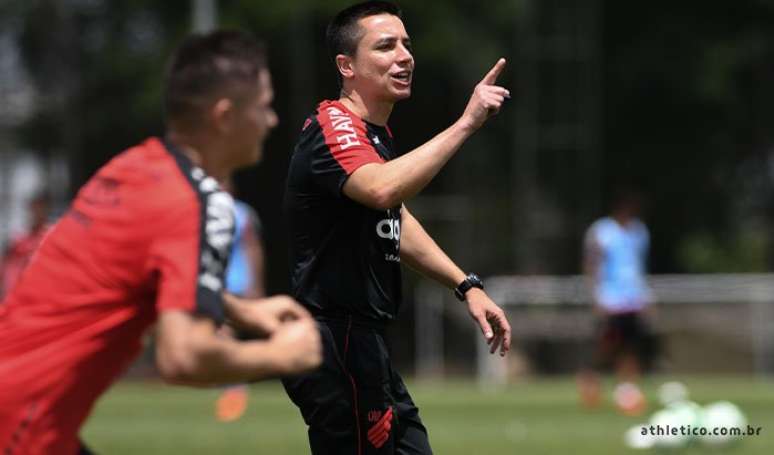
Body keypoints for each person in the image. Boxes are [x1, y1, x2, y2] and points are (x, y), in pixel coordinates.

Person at [0, 30, 321, 454]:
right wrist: (281, 356)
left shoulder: (132, 168)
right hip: (22, 427)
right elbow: (182, 357)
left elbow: (137, 271)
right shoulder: (199, 202)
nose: (273, 120)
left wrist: (242, 311)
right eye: (264, 106)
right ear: (224, 116)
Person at [282, 2, 512, 453]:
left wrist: (466, 285)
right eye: (386, 46)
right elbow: (383, 190)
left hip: (365, 344)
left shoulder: (375, 136)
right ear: (346, 66)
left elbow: (394, 218)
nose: (404, 56)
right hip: (335, 342)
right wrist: (466, 124)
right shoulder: (335, 126)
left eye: (407, 44)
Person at [577, 189, 656, 415]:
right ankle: (589, 380)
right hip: (610, 299)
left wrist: (645, 296)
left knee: (631, 346)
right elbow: (592, 265)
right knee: (608, 344)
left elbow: (639, 266)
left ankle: (627, 389)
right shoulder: (602, 231)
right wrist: (595, 295)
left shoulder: (640, 232)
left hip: (633, 298)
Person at [215, 178, 267, 422]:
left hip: (236, 281)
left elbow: (252, 248)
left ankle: (235, 386)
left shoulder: (242, 213)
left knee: (225, 333)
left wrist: (254, 284)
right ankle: (231, 382)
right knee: (221, 333)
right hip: (216, 281)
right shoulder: (205, 210)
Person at [0, 192, 52, 300]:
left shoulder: (50, 237)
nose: (36, 213)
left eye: (40, 208)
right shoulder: (18, 240)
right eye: (34, 208)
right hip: (15, 297)